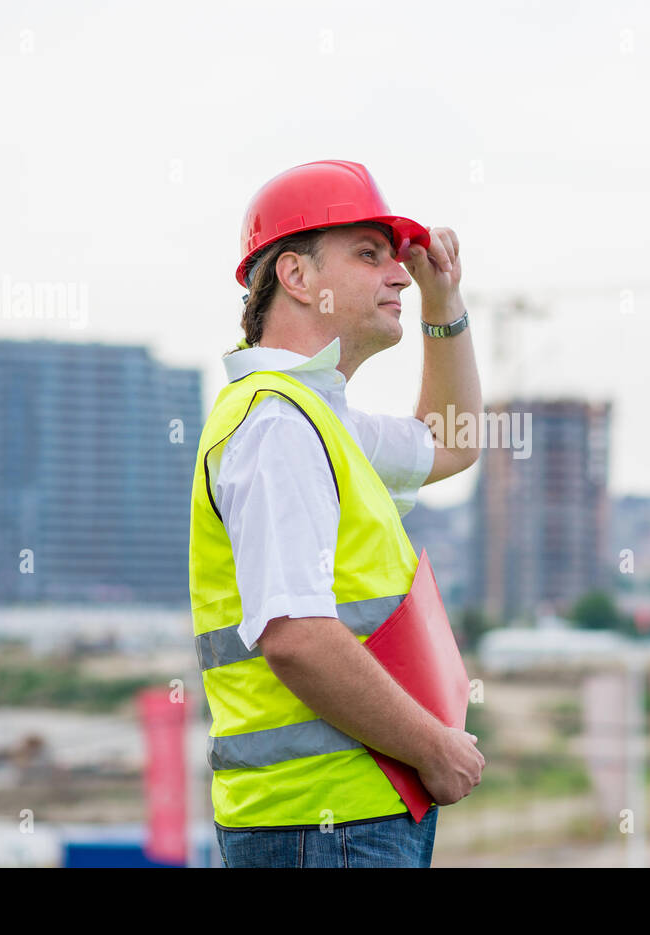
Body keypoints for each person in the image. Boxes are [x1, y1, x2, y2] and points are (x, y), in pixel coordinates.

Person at [188, 160, 485, 868]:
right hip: (325, 826)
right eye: (368, 253)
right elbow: (295, 637)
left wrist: (446, 301)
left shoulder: (315, 419)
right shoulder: (279, 427)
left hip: (338, 820)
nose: (401, 275)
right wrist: (433, 745)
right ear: (296, 277)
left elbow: (452, 440)